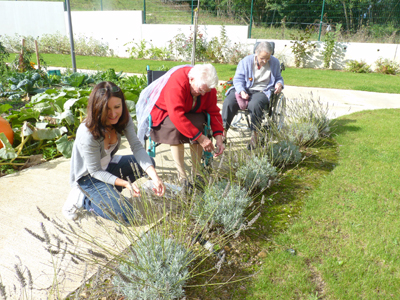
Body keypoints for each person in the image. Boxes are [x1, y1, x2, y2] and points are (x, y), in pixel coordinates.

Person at [64, 81, 165, 222]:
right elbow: (95, 171)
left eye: (117, 107)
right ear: (97, 109)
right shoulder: (88, 133)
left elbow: (136, 146)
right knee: (126, 214)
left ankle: (108, 191)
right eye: (107, 110)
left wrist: (155, 177)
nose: (113, 114)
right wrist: (124, 183)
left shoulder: (123, 119)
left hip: (108, 166)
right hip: (89, 177)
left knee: (148, 164)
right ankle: (85, 200)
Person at [136, 64, 225, 190]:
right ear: (191, 79)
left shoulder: (206, 86)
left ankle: (197, 173)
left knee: (199, 125)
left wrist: (219, 138)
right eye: (200, 90)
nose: (203, 94)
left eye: (206, 91)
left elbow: (214, 112)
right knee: (176, 129)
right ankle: (182, 176)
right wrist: (201, 139)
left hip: (191, 112)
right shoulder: (177, 82)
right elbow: (176, 114)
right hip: (166, 112)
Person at [221, 41, 284, 149]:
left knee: (255, 104)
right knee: (228, 102)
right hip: (245, 89)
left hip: (262, 90)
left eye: (267, 58)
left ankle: (254, 136)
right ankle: (223, 133)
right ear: (256, 53)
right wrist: (241, 91)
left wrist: (279, 84)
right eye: (262, 58)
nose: (265, 61)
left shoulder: (275, 62)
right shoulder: (245, 61)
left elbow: (278, 77)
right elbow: (238, 79)